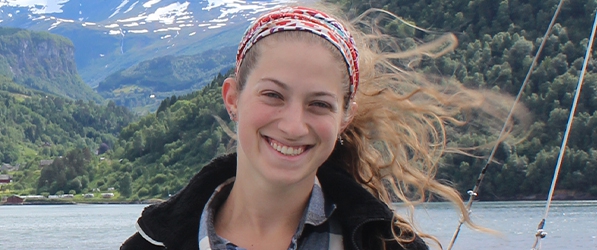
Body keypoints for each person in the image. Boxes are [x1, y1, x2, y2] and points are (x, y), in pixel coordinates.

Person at [121, 4, 518, 250]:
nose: (294, 125)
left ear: (344, 116)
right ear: (232, 98)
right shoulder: (151, 245)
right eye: (273, 95)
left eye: (319, 104)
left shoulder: (387, 246)